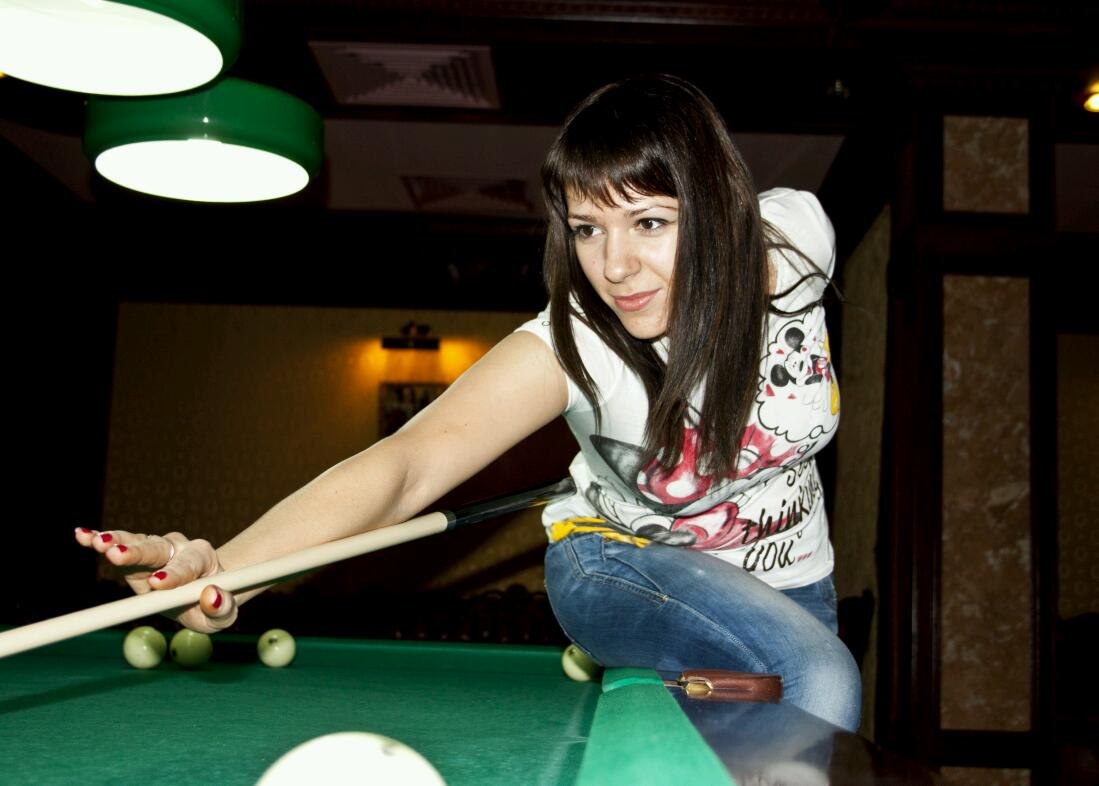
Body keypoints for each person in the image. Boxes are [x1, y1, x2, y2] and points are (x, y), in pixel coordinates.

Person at [77, 74, 861, 731]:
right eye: (587, 230)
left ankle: (658, 706)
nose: (615, 266)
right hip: (618, 564)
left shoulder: (792, 244)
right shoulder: (575, 345)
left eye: (649, 222)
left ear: (717, 216)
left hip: (796, 585)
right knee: (822, 678)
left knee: (752, 736)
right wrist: (228, 571)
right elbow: (408, 463)